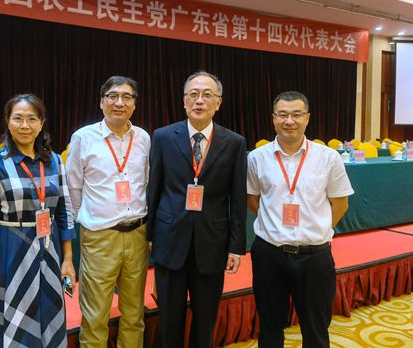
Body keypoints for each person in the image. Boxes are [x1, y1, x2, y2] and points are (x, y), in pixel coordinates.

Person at [147, 71, 247, 348]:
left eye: (207, 95)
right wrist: (149, 236)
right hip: (170, 240)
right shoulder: (164, 137)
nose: (199, 100)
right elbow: (154, 189)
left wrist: (236, 247)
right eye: (193, 94)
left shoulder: (234, 143)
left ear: (218, 102)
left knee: (205, 320)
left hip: (212, 242)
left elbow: (237, 199)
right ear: (184, 101)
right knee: (169, 318)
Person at [247, 91, 354, 348]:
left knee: (316, 328)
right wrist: (274, 226)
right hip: (269, 254)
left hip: (314, 256)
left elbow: (340, 203)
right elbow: (252, 200)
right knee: (269, 326)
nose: (289, 121)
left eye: (296, 114)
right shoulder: (256, 157)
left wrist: (316, 228)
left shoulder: (328, 157)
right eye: (282, 115)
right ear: (273, 118)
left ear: (307, 118)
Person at [0, 94, 76, 348]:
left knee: (48, 317)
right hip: (11, 253)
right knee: (12, 323)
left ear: (42, 123)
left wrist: (68, 260)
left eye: (31, 119)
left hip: (49, 252)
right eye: (18, 118)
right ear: (8, 121)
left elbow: (64, 212)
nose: (25, 125)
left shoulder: (55, 161)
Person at [66, 76, 150, 348]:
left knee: (134, 313)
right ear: (101, 102)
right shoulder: (83, 137)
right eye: (112, 96)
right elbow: (73, 187)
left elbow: (146, 181)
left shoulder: (144, 138)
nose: (119, 103)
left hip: (137, 234)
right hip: (100, 237)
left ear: (134, 104)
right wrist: (88, 220)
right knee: (95, 315)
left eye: (127, 97)